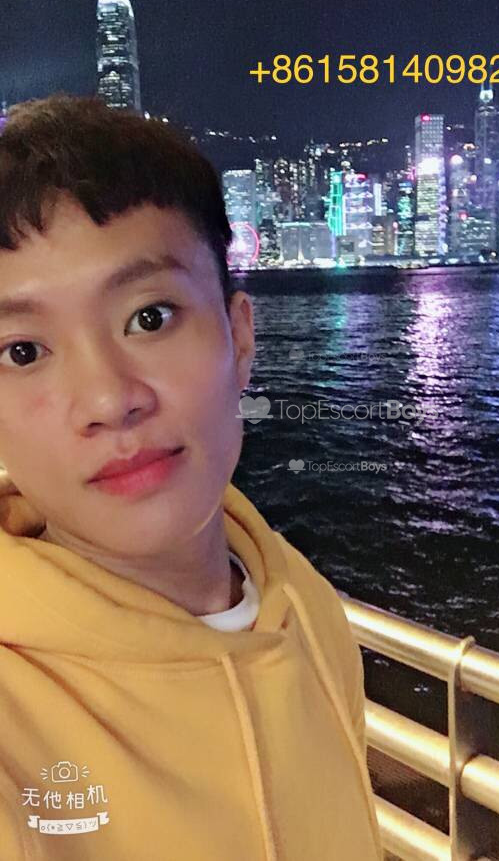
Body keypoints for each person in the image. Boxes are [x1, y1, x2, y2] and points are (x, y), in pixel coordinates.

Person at [0, 94, 383, 860]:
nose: (109, 400)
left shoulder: (305, 610)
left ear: (239, 339)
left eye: (149, 317)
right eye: (22, 352)